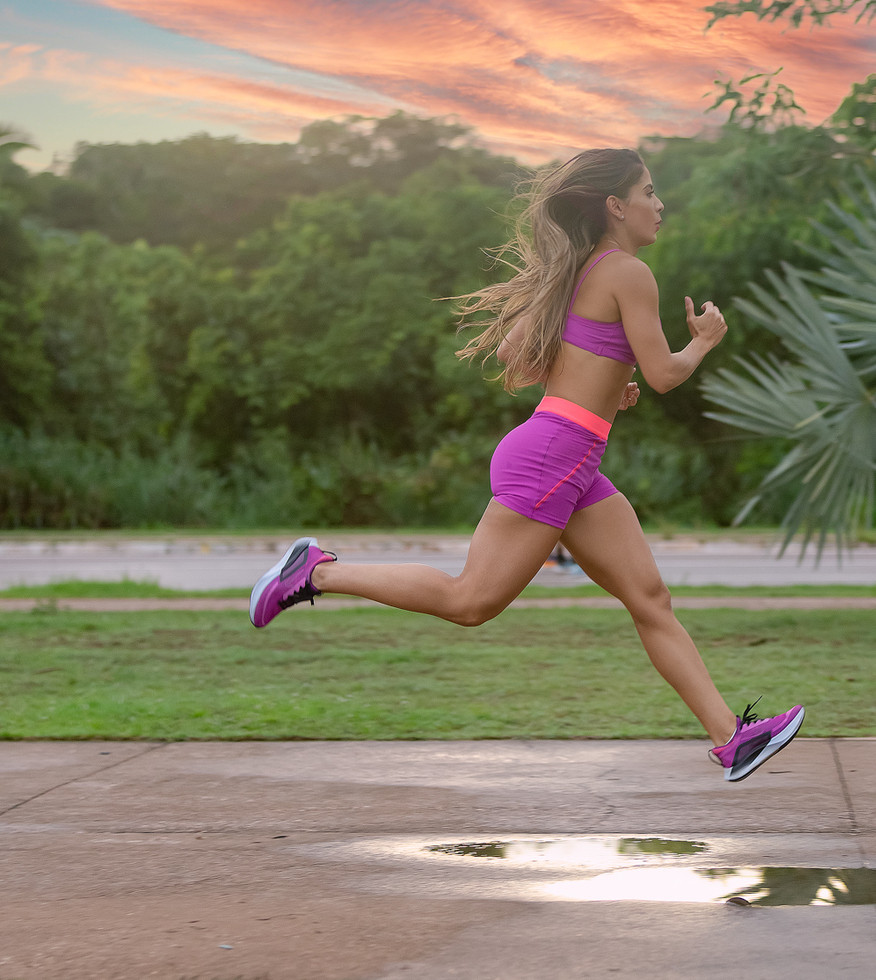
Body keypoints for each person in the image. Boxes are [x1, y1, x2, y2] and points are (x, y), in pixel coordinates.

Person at [248, 148, 803, 782]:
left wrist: (598, 381)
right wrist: (701, 342)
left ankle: (731, 737)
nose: (660, 204)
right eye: (649, 192)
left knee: (650, 597)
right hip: (554, 457)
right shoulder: (628, 272)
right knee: (470, 601)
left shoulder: (579, 272)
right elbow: (664, 374)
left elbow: (518, 361)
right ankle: (316, 572)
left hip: (568, 455)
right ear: (615, 207)